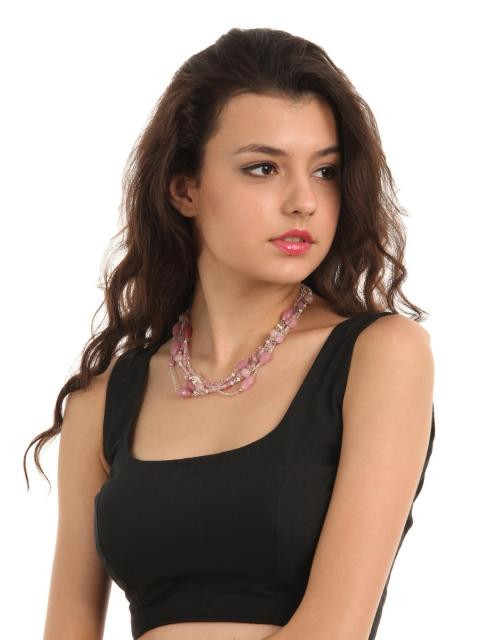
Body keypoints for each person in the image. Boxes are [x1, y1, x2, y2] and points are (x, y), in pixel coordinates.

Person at [25, 27, 435, 640]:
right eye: (263, 168)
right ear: (185, 188)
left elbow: (333, 630)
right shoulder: (102, 401)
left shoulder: (380, 355)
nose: (303, 201)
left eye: (325, 171)